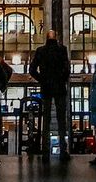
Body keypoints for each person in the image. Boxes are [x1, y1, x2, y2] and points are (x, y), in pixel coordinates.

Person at [29, 28, 71, 161]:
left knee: (46, 121)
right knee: (61, 121)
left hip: (46, 88)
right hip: (59, 88)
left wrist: (42, 79)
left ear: (46, 38)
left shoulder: (41, 51)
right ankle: (63, 151)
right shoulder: (62, 50)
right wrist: (62, 79)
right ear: (56, 37)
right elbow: (67, 68)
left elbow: (32, 69)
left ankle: (45, 152)